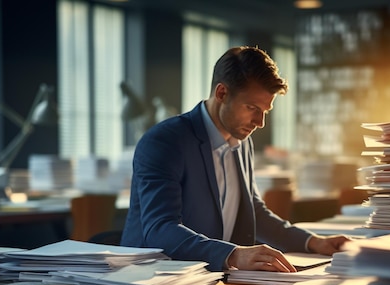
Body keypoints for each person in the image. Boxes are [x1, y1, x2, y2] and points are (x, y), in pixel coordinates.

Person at [121, 46, 350, 272]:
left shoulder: (241, 141)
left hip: (212, 279)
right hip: (155, 279)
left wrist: (313, 242)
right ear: (222, 93)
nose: (260, 122)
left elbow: (254, 211)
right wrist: (233, 255)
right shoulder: (165, 141)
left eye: (265, 111)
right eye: (252, 107)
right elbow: (161, 228)